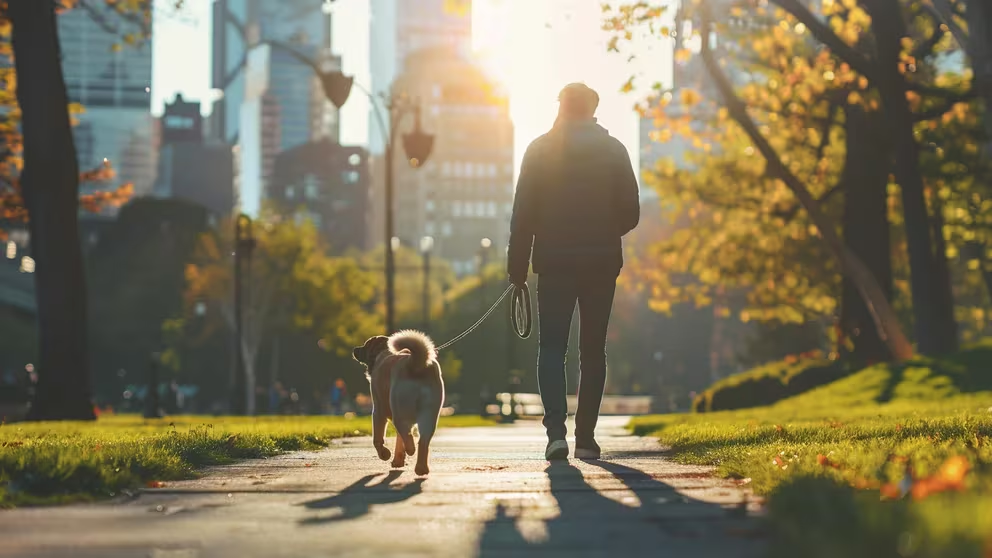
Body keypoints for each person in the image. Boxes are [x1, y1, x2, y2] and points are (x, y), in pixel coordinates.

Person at [506, 83, 640, 461]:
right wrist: (601, 229)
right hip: (601, 263)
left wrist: (517, 270)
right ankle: (586, 439)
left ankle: (555, 435)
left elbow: (522, 217)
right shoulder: (614, 150)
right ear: (593, 110)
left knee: (551, 348)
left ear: (561, 107)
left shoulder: (539, 150)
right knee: (593, 350)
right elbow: (631, 212)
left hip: (553, 263)